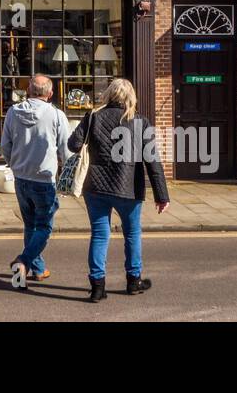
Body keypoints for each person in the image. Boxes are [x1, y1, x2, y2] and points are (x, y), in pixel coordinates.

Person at [68, 77, 170, 303]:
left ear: (109, 94)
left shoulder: (93, 116)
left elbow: (72, 145)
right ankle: (134, 281)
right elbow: (153, 162)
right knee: (132, 233)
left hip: (95, 187)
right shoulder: (141, 122)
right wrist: (161, 196)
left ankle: (97, 287)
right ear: (131, 97)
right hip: (129, 188)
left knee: (99, 234)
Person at [0, 73, 69, 286]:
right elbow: (66, 150)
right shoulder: (56, 115)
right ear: (50, 93)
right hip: (44, 179)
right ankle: (24, 261)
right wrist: (68, 176)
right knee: (45, 227)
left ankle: (37, 270)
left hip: (20, 178)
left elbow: (5, 145)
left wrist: (14, 163)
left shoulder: (13, 112)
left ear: (28, 91)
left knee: (30, 225)